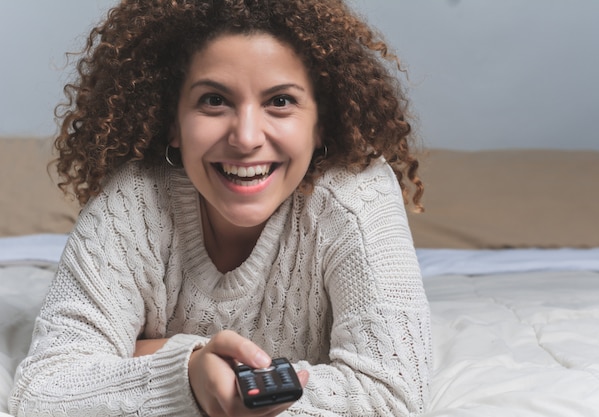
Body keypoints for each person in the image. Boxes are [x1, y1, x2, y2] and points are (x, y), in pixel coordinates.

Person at [9, 0, 432, 416]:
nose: (246, 137)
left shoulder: (358, 196)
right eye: (214, 100)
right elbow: (42, 389)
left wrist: (157, 354)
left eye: (280, 101)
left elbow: (390, 395)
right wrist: (188, 374)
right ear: (173, 122)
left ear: (320, 122)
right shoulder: (132, 202)